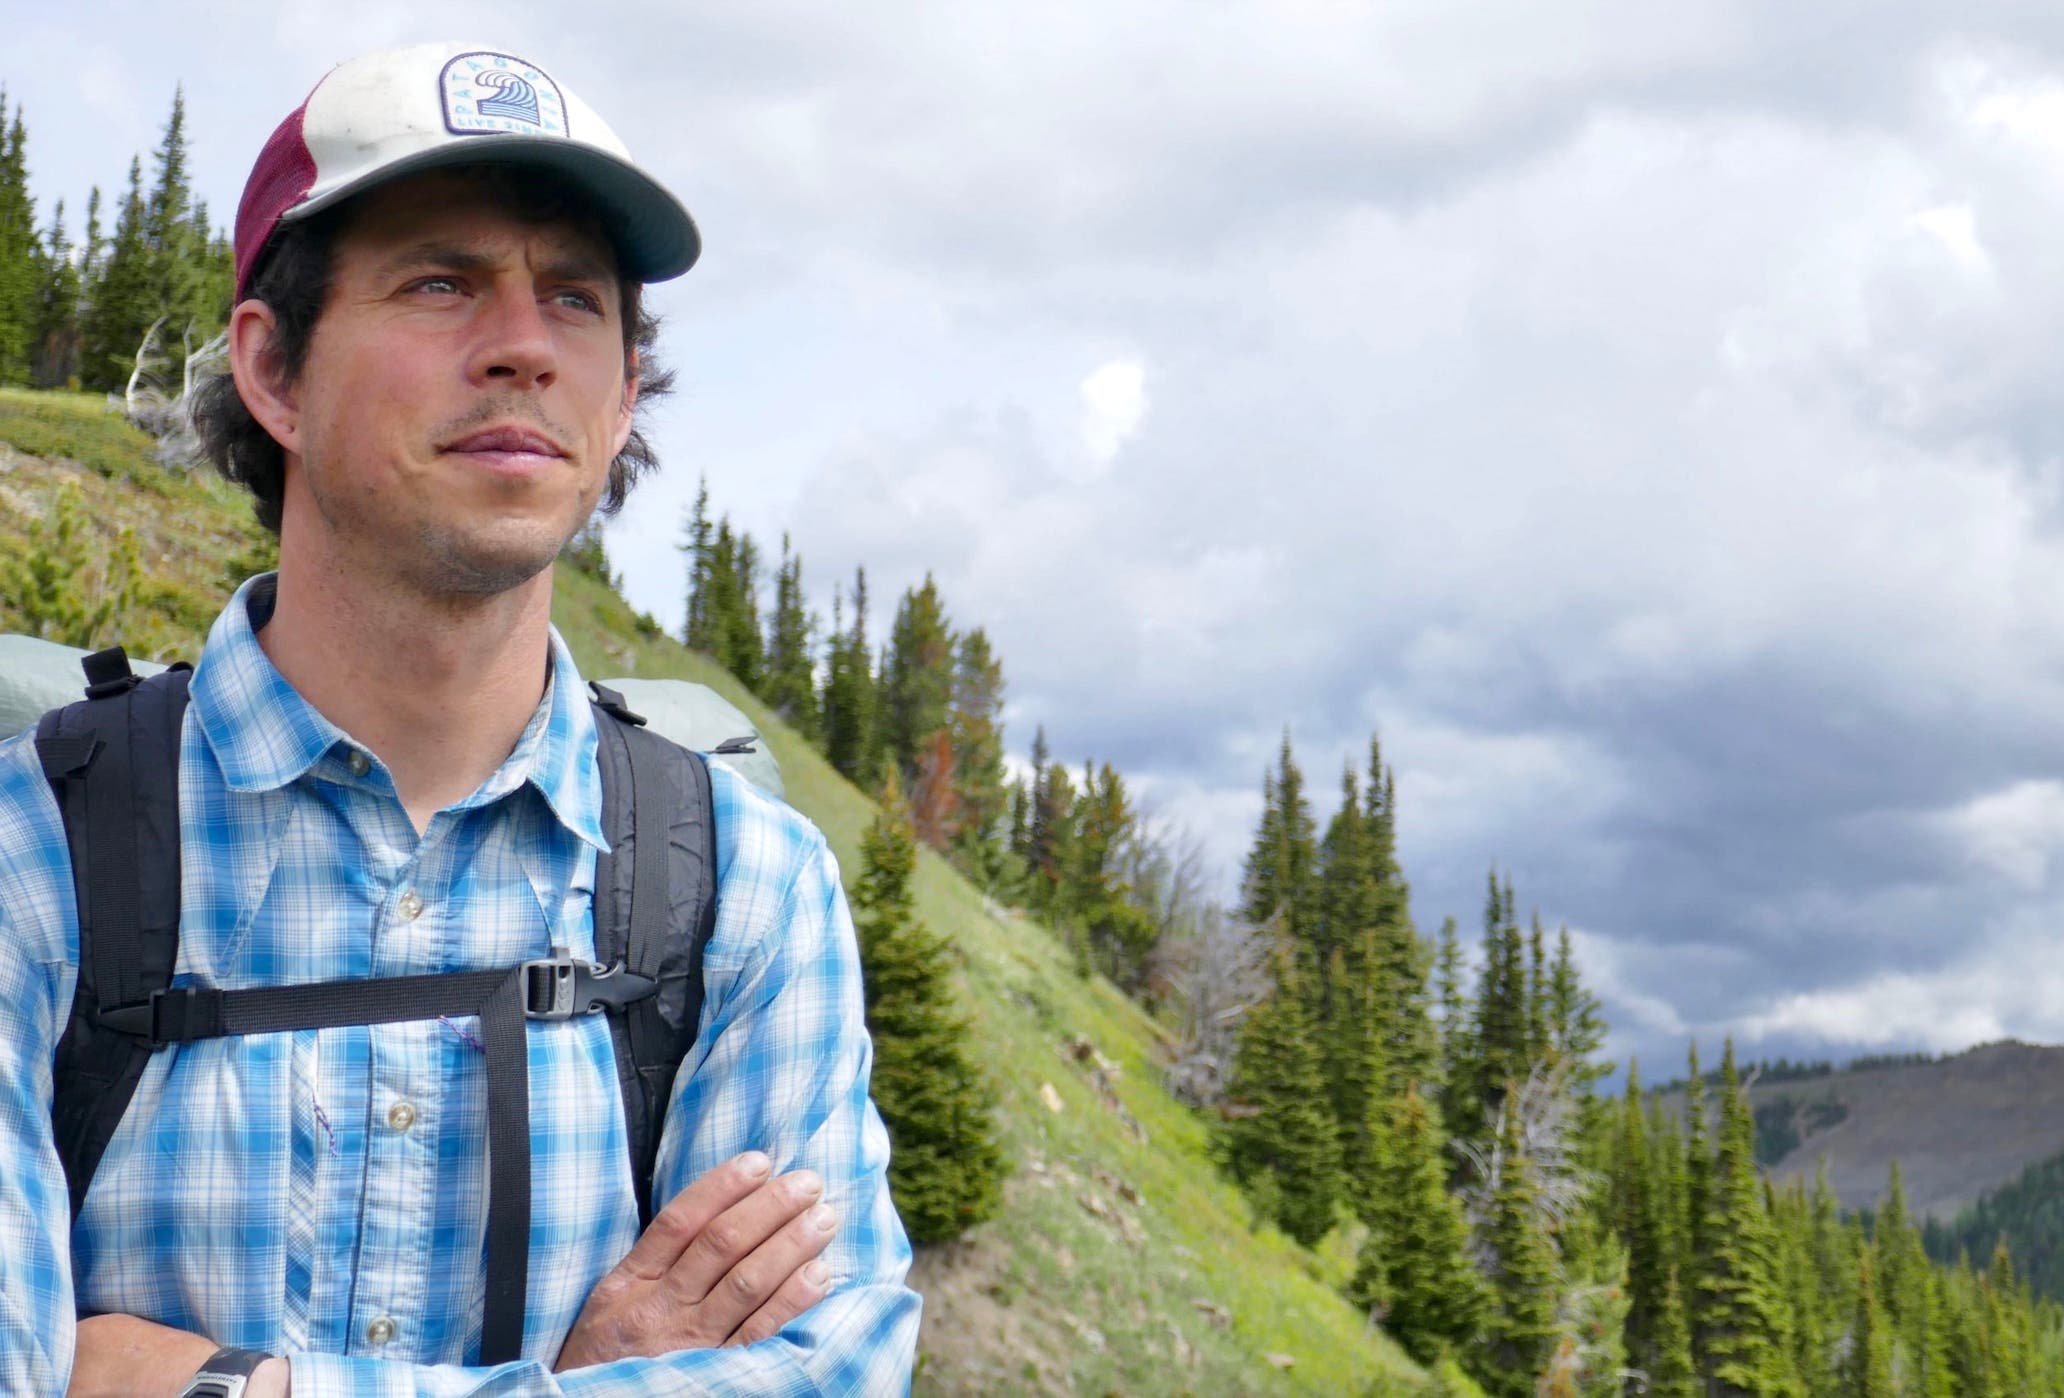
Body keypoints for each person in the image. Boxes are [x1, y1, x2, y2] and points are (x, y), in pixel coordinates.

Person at [0, 41, 920, 1397]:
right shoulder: (35, 850)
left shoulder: (749, 890)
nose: (525, 348)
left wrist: (216, 1384)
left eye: (576, 299)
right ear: (275, 372)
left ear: (619, 407)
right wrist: (585, 1375)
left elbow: (832, 1373)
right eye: (442, 281)